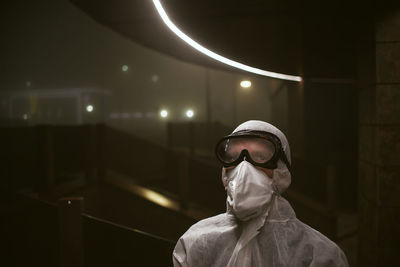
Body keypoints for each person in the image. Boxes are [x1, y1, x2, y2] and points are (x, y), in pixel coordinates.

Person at [172, 120, 349, 267]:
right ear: (224, 172)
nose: (244, 168)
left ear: (281, 172)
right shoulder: (195, 243)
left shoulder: (319, 255)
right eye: (234, 156)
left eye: (260, 157)